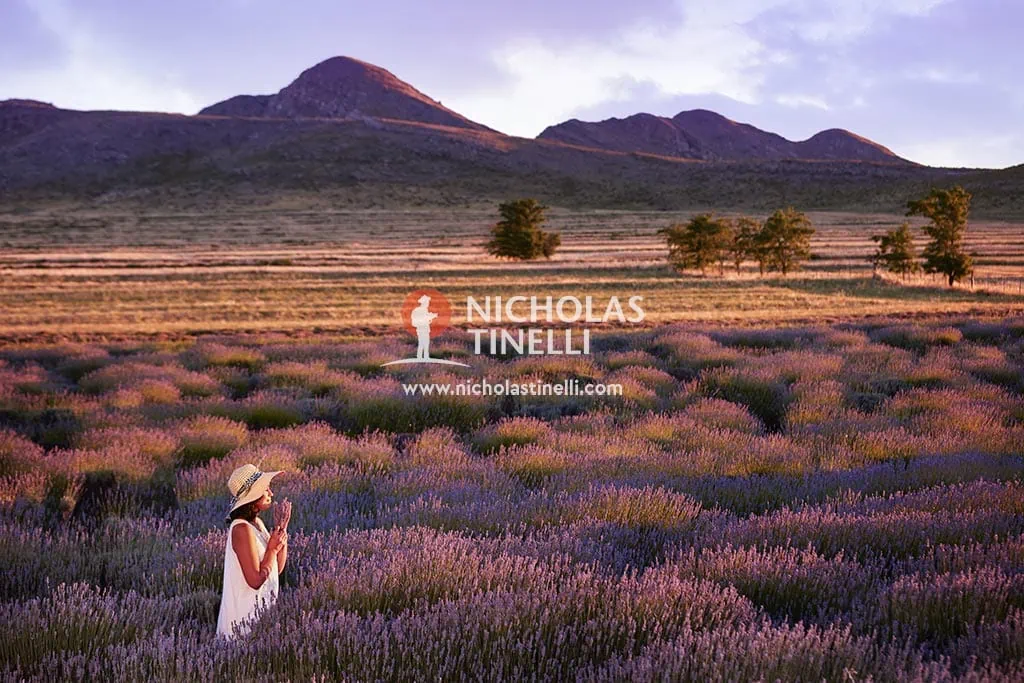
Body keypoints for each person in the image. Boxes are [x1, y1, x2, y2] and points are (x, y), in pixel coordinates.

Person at [216, 463, 291, 640]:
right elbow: (255, 580)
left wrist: (281, 531)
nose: (271, 494)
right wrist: (272, 549)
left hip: (262, 619)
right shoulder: (241, 529)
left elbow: (276, 570)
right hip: (243, 622)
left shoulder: (256, 524)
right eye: (266, 489)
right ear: (252, 496)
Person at [410, 294, 437, 360]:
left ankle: (422, 356)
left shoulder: (420, 310)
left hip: (422, 329)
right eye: (427, 302)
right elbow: (424, 318)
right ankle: (424, 357)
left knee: (423, 342)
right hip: (423, 329)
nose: (428, 304)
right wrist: (431, 317)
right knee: (424, 342)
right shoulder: (422, 310)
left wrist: (430, 318)